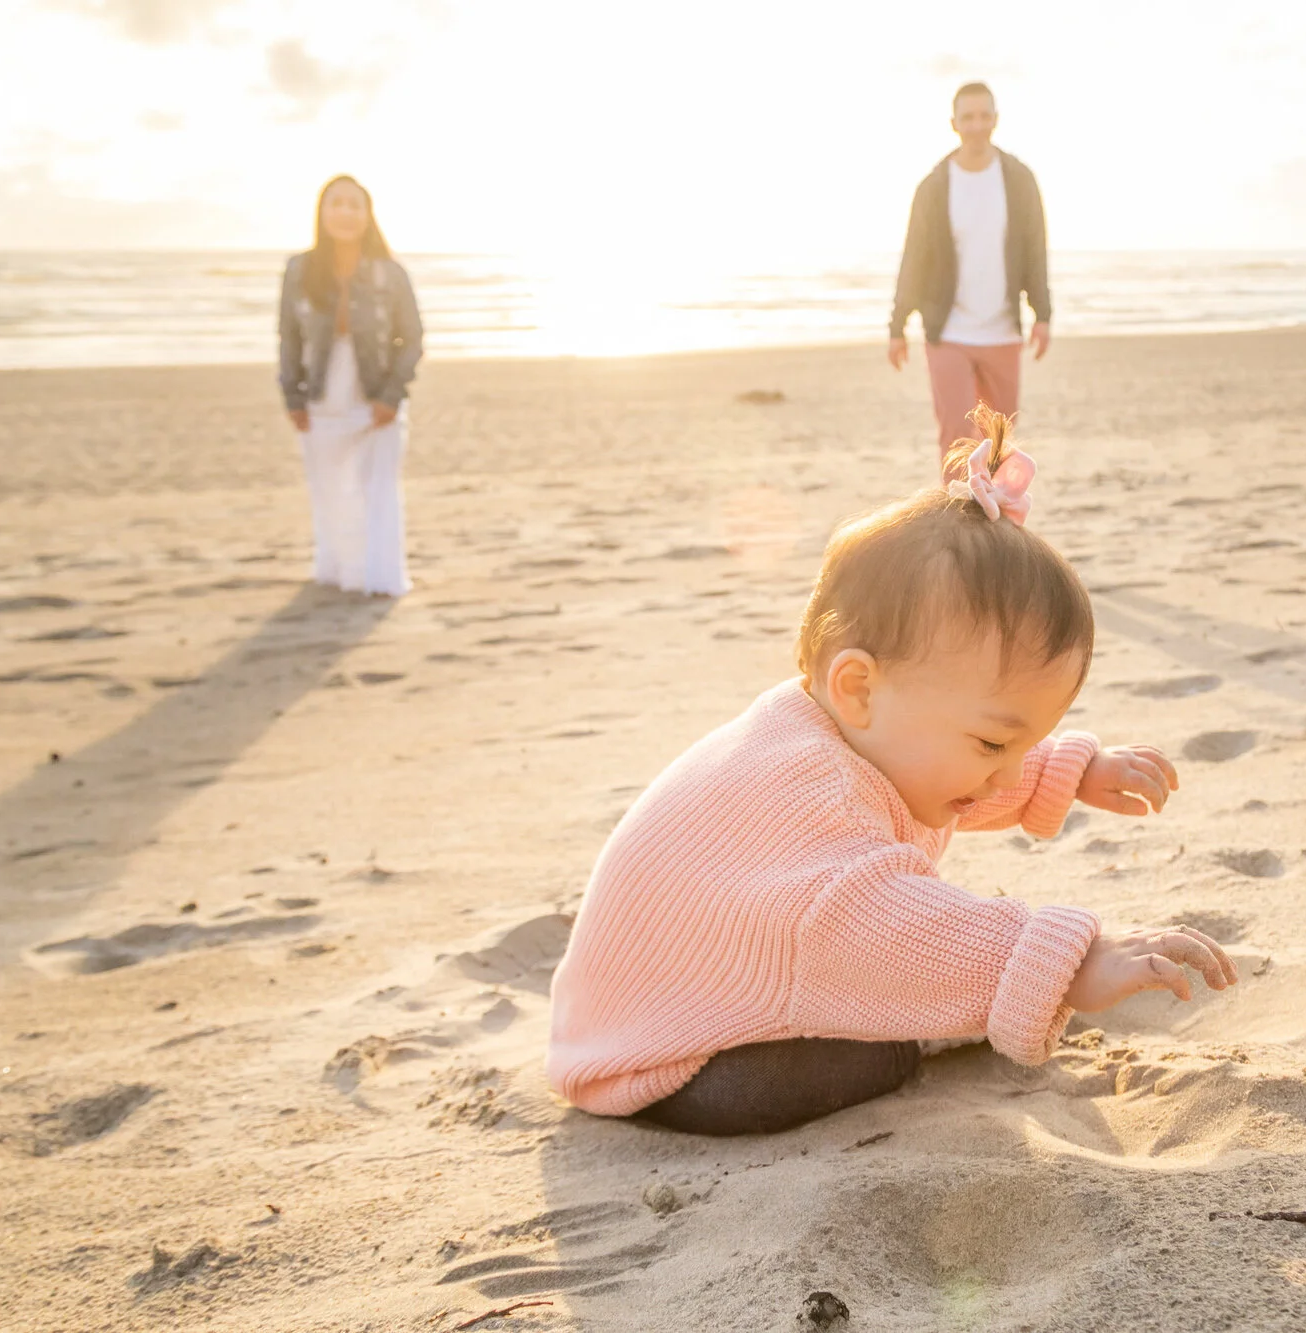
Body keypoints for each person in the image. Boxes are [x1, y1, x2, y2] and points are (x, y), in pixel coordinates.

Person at [548, 406, 1237, 1136]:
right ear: (859, 687)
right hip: (672, 1063)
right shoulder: (816, 800)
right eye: (994, 744)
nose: (1004, 777)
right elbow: (894, 928)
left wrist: (1069, 769)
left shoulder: (833, 728)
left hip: (638, 1011)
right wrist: (1072, 962)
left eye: (1028, 742)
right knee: (875, 1047)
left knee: (886, 975)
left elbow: (936, 782)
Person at [888, 82, 1053, 472]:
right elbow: (915, 259)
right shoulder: (934, 187)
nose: (977, 125)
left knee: (1000, 446)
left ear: (995, 120)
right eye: (968, 117)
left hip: (1002, 333)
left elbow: (1035, 250)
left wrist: (1042, 314)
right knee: (957, 444)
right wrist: (897, 325)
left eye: (984, 116)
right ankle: (957, 531)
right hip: (949, 333)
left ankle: (997, 531)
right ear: (954, 123)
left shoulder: (1018, 179)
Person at [276, 175, 423, 597]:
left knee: (376, 488)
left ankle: (378, 577)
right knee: (329, 488)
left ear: (367, 215)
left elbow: (411, 338)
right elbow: (289, 337)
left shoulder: (390, 273)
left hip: (374, 393)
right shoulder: (300, 270)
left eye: (353, 204)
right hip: (322, 394)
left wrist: (392, 395)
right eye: (335, 203)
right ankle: (340, 569)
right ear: (322, 213)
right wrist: (292, 397)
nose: (344, 212)